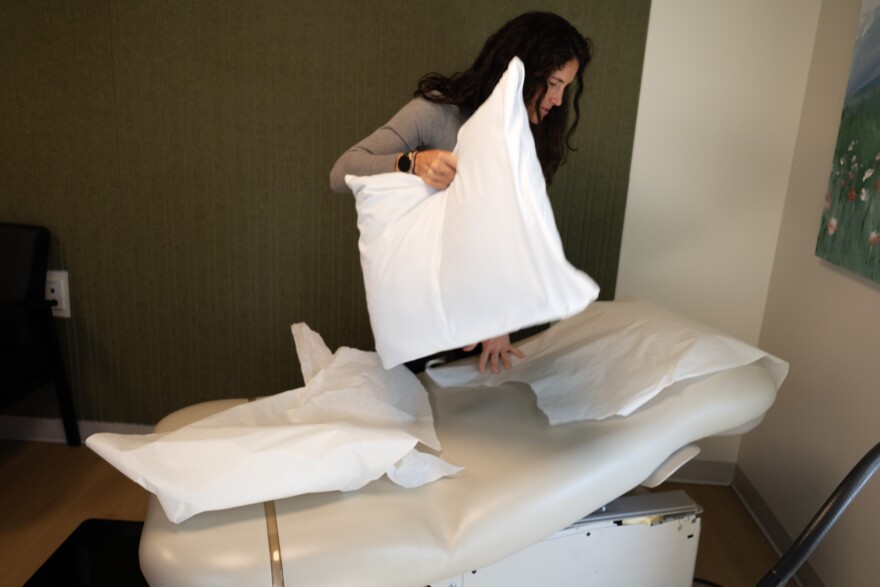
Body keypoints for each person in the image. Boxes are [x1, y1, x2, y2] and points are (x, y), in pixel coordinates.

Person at [330, 11, 593, 374]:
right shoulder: (437, 113)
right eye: (551, 83)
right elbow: (342, 171)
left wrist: (498, 318)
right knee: (417, 410)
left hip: (479, 324)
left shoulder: (528, 137)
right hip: (421, 308)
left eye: (566, 87)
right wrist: (414, 162)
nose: (559, 100)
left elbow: (508, 232)